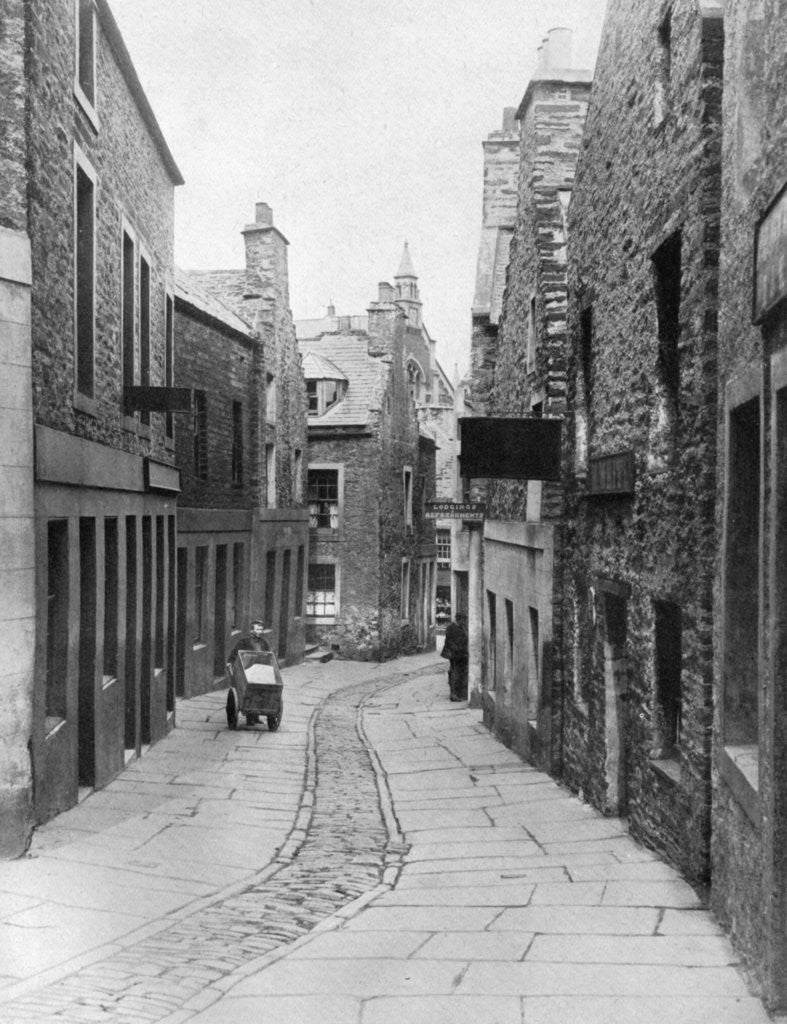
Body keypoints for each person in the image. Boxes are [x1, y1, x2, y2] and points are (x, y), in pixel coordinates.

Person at [227, 620, 271, 725]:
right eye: (257, 629)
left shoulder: (263, 643)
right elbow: (236, 652)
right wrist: (230, 661)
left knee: (260, 691)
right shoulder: (244, 642)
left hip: (260, 670)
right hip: (248, 670)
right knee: (250, 690)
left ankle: (255, 717)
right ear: (252, 630)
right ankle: (250, 717)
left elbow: (269, 655)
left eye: (261, 629)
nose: (259, 631)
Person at [442, 612, 468, 701]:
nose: (464, 622)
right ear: (459, 620)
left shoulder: (461, 628)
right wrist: (459, 651)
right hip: (455, 655)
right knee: (454, 673)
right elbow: (450, 643)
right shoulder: (451, 629)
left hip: (460, 655)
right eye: (463, 620)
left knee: (458, 673)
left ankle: (458, 693)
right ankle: (453, 694)